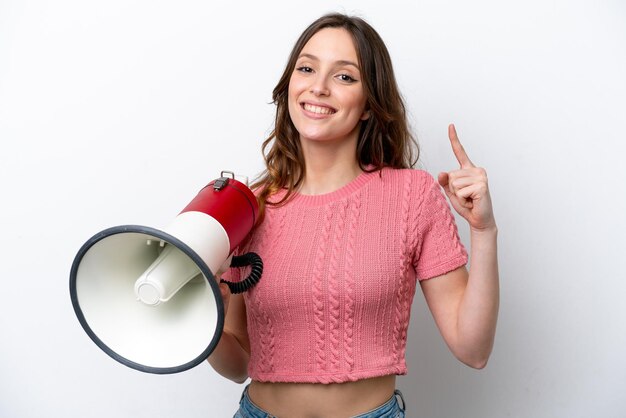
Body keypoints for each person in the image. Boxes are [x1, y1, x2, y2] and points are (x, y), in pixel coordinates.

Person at [208, 12, 499, 418]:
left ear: (368, 104)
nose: (319, 87)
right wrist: (210, 314)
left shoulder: (412, 196)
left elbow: (474, 350)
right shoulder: (249, 205)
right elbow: (237, 365)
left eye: (344, 77)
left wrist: (484, 231)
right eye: (306, 68)